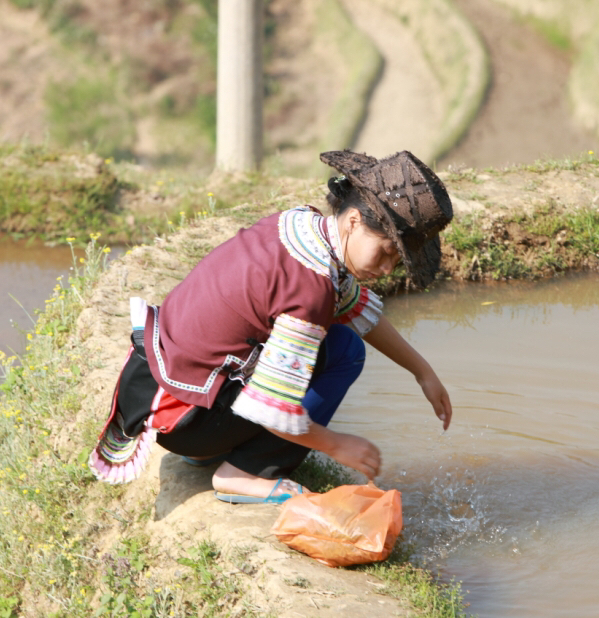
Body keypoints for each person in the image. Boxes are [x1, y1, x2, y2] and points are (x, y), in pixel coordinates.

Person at [89, 149, 454, 503]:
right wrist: (337, 444)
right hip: (187, 419)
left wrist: (422, 372)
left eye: (397, 261)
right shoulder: (311, 289)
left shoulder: (300, 226)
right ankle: (244, 472)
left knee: (340, 342)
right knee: (345, 352)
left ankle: (208, 452)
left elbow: (354, 306)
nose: (387, 269)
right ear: (354, 221)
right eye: (386, 251)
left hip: (161, 386)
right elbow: (273, 410)